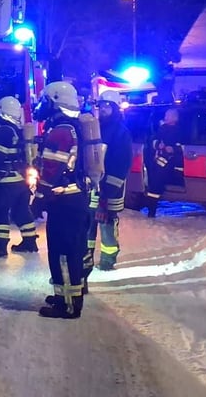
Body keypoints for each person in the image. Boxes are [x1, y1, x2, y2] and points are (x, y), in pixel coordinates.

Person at [34, 81, 89, 319]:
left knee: (63, 253)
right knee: (71, 249)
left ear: (55, 101)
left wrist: (38, 198)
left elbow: (51, 170)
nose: (42, 105)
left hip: (64, 201)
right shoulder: (72, 126)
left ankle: (67, 304)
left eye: (46, 100)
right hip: (74, 199)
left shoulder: (60, 131)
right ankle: (65, 296)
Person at [0, 96, 39, 257]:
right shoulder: (18, 129)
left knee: (0, 211)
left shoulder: (3, 130)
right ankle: (30, 242)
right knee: (21, 211)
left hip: (5, 180)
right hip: (20, 180)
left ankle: (0, 247)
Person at [86, 90, 132, 273]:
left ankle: (108, 258)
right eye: (101, 106)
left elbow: (122, 163)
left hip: (110, 188)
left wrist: (109, 189)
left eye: (107, 106)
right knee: (89, 221)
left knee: (107, 223)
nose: (103, 109)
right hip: (93, 186)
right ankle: (86, 256)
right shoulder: (96, 129)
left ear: (114, 107)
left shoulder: (121, 132)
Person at [144, 108, 183, 218]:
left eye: (168, 115)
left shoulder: (180, 130)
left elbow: (184, 145)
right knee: (156, 183)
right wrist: (158, 145)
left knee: (159, 180)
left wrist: (174, 149)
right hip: (161, 160)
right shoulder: (161, 129)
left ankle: (152, 206)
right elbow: (153, 140)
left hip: (176, 161)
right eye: (166, 115)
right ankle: (151, 210)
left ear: (175, 118)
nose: (166, 117)